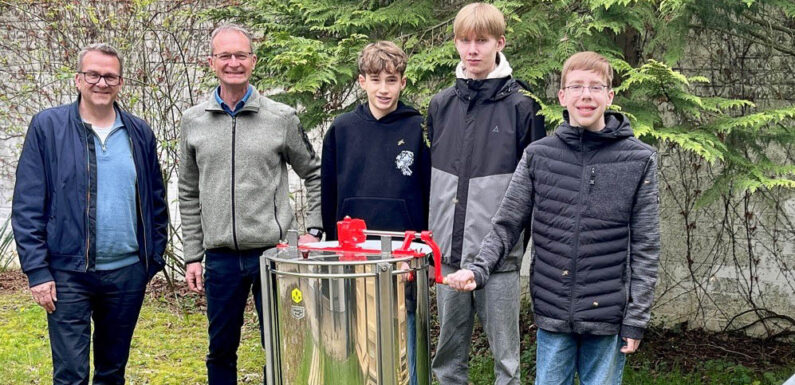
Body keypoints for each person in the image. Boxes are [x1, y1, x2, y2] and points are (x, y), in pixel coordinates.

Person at [446, 51, 661, 384]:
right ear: (562, 96)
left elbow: (647, 247)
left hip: (608, 318)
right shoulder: (538, 156)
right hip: (553, 315)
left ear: (610, 95)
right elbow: (506, 225)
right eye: (576, 87)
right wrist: (479, 269)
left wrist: (636, 319)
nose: (585, 95)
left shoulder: (639, 160)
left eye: (595, 87)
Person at [12, 43, 169, 385]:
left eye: (110, 76)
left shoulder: (139, 133)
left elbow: (156, 200)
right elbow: (27, 204)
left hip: (127, 273)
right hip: (67, 273)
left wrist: (152, 259)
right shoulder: (48, 127)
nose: (102, 82)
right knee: (71, 374)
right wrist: (38, 271)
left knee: (112, 372)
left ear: (121, 82)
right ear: (78, 79)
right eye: (93, 74)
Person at [178, 23, 322, 385]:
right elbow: (188, 190)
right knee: (221, 349)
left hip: (273, 254)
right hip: (221, 257)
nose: (233, 63)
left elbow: (315, 172)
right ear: (211, 62)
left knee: (282, 346)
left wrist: (314, 231)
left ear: (252, 61)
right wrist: (193, 255)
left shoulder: (281, 118)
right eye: (225, 55)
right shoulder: (193, 121)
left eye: (240, 55)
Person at [426, 3, 546, 384]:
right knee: (447, 359)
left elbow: (532, 191)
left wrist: (515, 247)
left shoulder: (524, 107)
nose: (473, 49)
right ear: (456, 44)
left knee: (506, 362)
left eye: (482, 40)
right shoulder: (441, 104)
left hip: (500, 262)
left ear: (500, 42)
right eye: (465, 40)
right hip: (447, 256)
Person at [320, 40, 430, 385]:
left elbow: (429, 191)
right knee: (360, 336)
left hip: (403, 252)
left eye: (392, 80)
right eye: (376, 79)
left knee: (403, 331)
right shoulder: (341, 129)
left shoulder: (418, 129)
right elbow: (329, 194)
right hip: (354, 251)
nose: (384, 89)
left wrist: (423, 247)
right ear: (362, 81)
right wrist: (332, 242)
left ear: (403, 83)